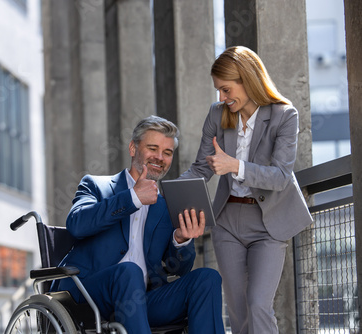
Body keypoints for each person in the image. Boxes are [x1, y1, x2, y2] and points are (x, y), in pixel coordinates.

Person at [179, 46, 313, 334]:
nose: (221, 98)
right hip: (227, 221)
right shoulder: (218, 115)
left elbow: (280, 177)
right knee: (238, 311)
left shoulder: (284, 116)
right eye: (218, 91)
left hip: (268, 223)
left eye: (226, 90)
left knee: (258, 305)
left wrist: (235, 166)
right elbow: (201, 168)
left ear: (247, 79)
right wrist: (170, 190)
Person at [56, 115, 225, 334]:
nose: (159, 157)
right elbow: (77, 225)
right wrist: (133, 198)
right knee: (129, 271)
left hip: (142, 301)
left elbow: (181, 268)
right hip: (90, 296)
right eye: (152, 148)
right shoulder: (96, 185)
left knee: (207, 278)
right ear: (133, 148)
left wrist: (181, 240)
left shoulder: (165, 206)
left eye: (167, 152)